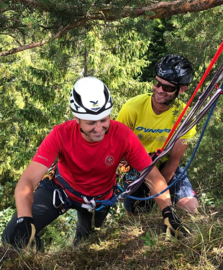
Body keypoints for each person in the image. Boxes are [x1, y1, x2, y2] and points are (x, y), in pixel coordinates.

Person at [1, 76, 186, 250]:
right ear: (77, 119)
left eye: (104, 120)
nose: (99, 129)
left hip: (98, 200)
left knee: (84, 245)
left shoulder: (122, 135)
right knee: (13, 236)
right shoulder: (61, 134)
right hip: (61, 190)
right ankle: (37, 259)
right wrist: (24, 218)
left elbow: (152, 175)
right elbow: (27, 181)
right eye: (91, 123)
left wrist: (168, 212)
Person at [116, 54, 199, 217]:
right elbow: (116, 147)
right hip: (133, 165)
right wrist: (123, 174)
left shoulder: (184, 117)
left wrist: (156, 193)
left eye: (168, 87)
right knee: (135, 214)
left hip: (163, 164)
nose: (160, 90)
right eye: (157, 83)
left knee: (191, 208)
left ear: (181, 89)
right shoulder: (132, 108)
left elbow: (174, 161)